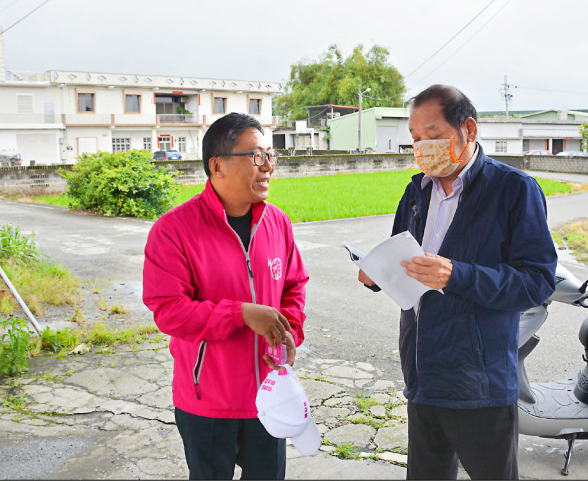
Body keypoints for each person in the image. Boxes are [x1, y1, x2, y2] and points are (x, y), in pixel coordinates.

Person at [358, 84, 557, 480]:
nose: (422, 147)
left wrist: (457, 275)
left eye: (432, 135)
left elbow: (537, 282)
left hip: (478, 384)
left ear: (468, 128)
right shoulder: (416, 191)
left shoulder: (514, 190)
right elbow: (402, 257)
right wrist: (375, 274)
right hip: (422, 373)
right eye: (415, 138)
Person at [143, 112, 309, 480]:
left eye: (270, 156)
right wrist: (241, 314)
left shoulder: (277, 222)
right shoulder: (173, 231)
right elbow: (168, 311)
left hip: (269, 394)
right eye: (255, 156)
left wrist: (289, 331)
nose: (267, 166)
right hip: (207, 402)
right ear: (216, 165)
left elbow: (293, 286)